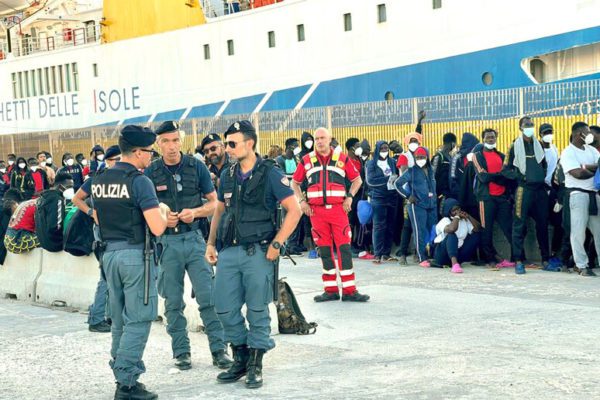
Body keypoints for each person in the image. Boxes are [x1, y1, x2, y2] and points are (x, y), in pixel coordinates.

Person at [205, 120, 301, 388]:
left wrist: (278, 243)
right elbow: (220, 210)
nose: (228, 149)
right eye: (227, 144)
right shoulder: (227, 174)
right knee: (223, 307)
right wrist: (211, 243)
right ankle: (242, 355)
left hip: (258, 251)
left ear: (250, 143)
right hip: (229, 252)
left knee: (258, 309)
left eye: (233, 144)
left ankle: (256, 363)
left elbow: (295, 210)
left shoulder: (270, 173)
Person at [145, 121, 232, 371]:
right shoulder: (151, 173)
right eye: (165, 142)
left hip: (195, 240)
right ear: (158, 144)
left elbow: (214, 204)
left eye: (175, 140)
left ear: (181, 141)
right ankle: (181, 351)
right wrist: (164, 218)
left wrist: (194, 212)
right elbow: (145, 210)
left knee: (208, 297)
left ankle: (219, 350)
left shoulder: (197, 167)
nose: (171, 147)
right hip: (167, 243)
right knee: (172, 302)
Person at [91, 125, 168, 399]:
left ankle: (123, 375)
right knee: (140, 318)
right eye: (149, 152)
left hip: (109, 254)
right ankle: (126, 382)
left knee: (120, 321)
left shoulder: (99, 179)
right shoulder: (139, 181)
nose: (151, 157)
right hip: (136, 256)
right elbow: (157, 228)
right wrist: (163, 213)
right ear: (137, 152)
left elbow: (97, 216)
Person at [291, 127, 370, 303]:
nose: (319, 141)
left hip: (338, 211)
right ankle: (331, 290)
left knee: (344, 250)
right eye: (317, 138)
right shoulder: (306, 160)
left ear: (330, 139)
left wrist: (349, 197)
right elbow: (295, 183)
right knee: (325, 251)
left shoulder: (342, 158)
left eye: (322, 138)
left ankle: (350, 290)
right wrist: (302, 202)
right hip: (316, 213)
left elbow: (357, 180)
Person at [73, 146, 121, 334]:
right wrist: (92, 212)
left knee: (112, 276)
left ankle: (108, 315)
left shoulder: (126, 178)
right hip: (104, 232)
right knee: (106, 276)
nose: (118, 162)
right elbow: (76, 199)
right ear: (108, 161)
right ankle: (96, 317)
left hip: (118, 231)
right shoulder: (97, 179)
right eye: (114, 159)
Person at [502, 116, 549, 274]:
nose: (529, 127)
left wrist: (540, 176)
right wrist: (520, 177)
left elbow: (544, 165)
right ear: (520, 127)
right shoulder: (514, 146)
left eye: (531, 124)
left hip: (540, 191)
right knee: (519, 225)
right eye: (526, 125)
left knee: (542, 224)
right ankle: (518, 260)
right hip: (524, 190)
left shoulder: (539, 145)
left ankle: (546, 259)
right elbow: (505, 170)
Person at [559, 122, 600, 276]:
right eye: (586, 132)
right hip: (577, 194)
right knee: (578, 232)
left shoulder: (592, 151)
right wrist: (592, 170)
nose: (589, 135)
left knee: (599, 231)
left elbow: (598, 165)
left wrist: (585, 166)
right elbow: (577, 174)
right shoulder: (568, 152)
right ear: (577, 134)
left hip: (593, 194)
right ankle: (582, 265)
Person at [472, 128, 515, 268]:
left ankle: (517, 257)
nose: (491, 139)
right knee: (486, 229)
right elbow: (483, 177)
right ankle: (489, 259)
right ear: (483, 139)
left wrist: (496, 177)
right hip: (486, 198)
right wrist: (499, 176)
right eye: (488, 137)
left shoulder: (502, 156)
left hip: (502, 198)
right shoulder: (477, 156)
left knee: (509, 227)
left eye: (493, 137)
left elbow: (507, 177)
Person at [394, 146, 437, 267]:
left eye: (422, 157)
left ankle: (431, 254)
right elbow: (397, 184)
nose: (420, 159)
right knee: (419, 231)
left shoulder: (432, 170)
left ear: (427, 157)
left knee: (432, 229)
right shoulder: (411, 171)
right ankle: (421, 257)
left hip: (431, 205)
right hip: (417, 205)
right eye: (417, 157)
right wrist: (408, 196)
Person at [365, 140, 399, 263]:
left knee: (390, 226)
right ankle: (377, 254)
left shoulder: (392, 162)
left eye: (386, 149)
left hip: (392, 197)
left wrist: (392, 180)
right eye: (382, 148)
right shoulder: (371, 164)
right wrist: (387, 179)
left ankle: (386, 253)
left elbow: (397, 177)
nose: (385, 151)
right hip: (378, 198)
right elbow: (371, 181)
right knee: (379, 226)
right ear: (378, 149)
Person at [432, 198, 481, 273]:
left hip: (459, 253)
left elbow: (478, 229)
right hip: (442, 255)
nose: (457, 211)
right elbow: (452, 229)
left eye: (458, 209)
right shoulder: (444, 220)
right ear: (449, 212)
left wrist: (468, 217)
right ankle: (454, 264)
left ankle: (458, 262)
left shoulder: (464, 220)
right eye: (454, 210)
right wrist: (457, 217)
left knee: (476, 236)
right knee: (452, 235)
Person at [276, 137, 305, 254]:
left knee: (297, 220)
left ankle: (295, 244)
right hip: (285, 195)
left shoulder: (296, 159)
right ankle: (288, 246)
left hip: (296, 194)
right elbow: (282, 177)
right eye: (295, 146)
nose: (297, 148)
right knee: (287, 219)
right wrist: (294, 179)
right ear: (289, 147)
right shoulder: (279, 160)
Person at [539, 123, 563, 259]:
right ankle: (545, 254)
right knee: (542, 223)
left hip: (553, 190)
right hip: (542, 190)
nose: (548, 134)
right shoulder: (539, 151)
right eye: (545, 132)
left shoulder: (554, 148)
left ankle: (554, 251)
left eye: (550, 132)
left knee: (558, 223)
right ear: (540, 135)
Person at [431, 132, 456, 215]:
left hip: (448, 193)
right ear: (452, 143)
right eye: (454, 143)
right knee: (439, 214)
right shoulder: (439, 157)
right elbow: (432, 175)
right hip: (439, 194)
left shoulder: (450, 157)